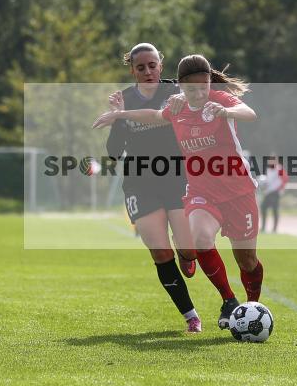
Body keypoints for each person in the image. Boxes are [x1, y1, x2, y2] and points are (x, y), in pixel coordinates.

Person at [94, 54, 262, 330]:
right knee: (200, 238)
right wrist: (119, 115)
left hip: (237, 189)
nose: (198, 92)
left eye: (203, 85)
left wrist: (227, 112)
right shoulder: (176, 106)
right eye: (191, 87)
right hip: (200, 190)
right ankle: (229, 301)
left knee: (247, 260)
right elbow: (154, 116)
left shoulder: (220, 99)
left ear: (210, 81)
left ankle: (253, 305)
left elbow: (250, 113)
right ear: (181, 87)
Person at [103, 43, 202, 333]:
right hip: (140, 183)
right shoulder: (124, 99)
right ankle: (191, 316)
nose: (147, 71)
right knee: (160, 252)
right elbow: (112, 152)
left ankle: (188, 255)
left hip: (177, 178)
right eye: (140, 67)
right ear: (132, 70)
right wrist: (118, 118)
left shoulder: (176, 93)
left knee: (189, 249)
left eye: (152, 65)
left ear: (161, 64)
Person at [259, 155, 288, 233]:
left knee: (274, 210)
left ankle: (274, 229)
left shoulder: (279, 169)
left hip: (275, 192)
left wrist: (280, 189)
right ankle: (263, 227)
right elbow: (268, 181)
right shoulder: (269, 169)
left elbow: (285, 179)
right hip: (268, 192)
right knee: (263, 207)